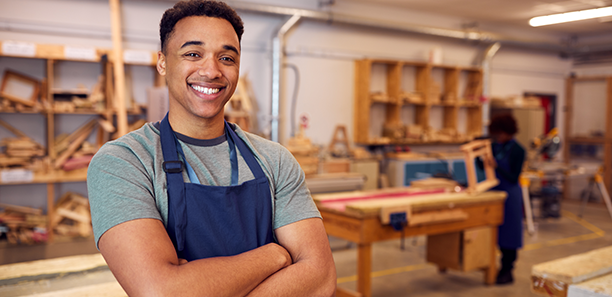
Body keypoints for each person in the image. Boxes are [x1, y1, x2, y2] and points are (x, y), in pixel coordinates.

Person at [87, 1, 337, 296]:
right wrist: (275, 256)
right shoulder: (125, 162)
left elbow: (321, 278)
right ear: (163, 62)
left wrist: (193, 281)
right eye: (193, 54)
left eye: (227, 58)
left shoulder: (275, 160)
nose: (212, 70)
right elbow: (161, 291)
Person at [486, 113, 526, 285]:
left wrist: (496, 166)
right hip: (494, 192)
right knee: (494, 233)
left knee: (509, 235)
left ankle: (507, 270)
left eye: (501, 134)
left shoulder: (518, 150)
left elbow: (513, 176)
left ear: (509, 132)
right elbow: (484, 165)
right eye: (496, 134)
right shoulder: (495, 146)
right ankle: (490, 267)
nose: (499, 137)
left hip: (510, 195)